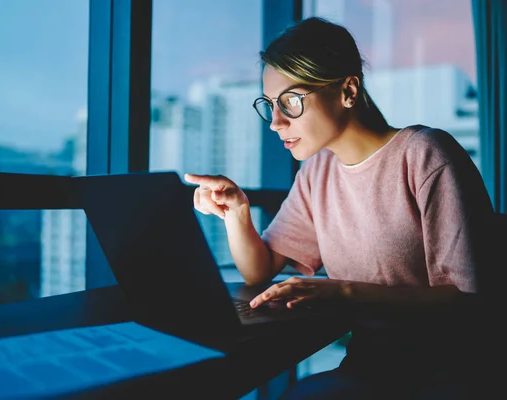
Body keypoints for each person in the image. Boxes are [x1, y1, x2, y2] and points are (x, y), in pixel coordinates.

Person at [184, 17, 496, 400]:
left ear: (348, 90)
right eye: (269, 106)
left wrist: (343, 292)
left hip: (449, 370)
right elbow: (260, 269)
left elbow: (465, 299)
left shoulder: (425, 155)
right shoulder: (317, 171)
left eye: (291, 102)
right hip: (371, 365)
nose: (275, 123)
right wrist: (237, 211)